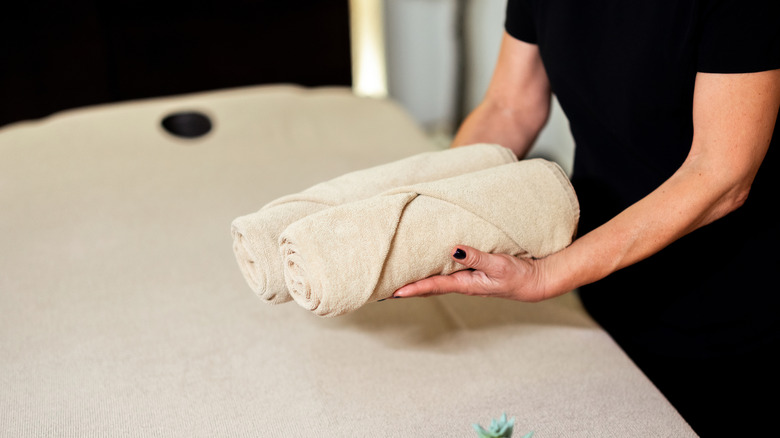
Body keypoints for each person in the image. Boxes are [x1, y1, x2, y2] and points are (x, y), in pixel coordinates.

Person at [394, 1, 780, 435]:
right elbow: (509, 107)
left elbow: (721, 176)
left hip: (733, 309)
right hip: (606, 285)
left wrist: (547, 275)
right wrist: (430, 217)